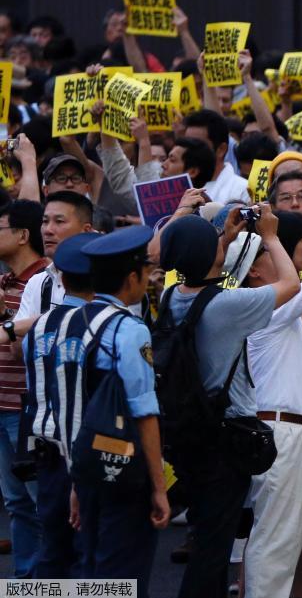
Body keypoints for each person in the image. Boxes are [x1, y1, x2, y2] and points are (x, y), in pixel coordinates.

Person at [158, 206, 300, 598]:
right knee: (213, 547)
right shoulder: (227, 306)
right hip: (225, 439)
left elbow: (209, 273)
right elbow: (291, 284)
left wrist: (224, 238)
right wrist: (270, 236)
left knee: (207, 531)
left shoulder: (169, 296)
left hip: (186, 432)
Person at [237, 211, 302, 598]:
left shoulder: (280, 306)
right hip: (280, 431)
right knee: (275, 541)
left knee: (281, 538)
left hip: (288, 429)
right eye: (270, 251)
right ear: (255, 270)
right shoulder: (262, 304)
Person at [70, 226, 169, 594]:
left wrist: (77, 483)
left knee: (93, 570)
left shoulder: (77, 322)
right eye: (145, 272)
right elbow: (144, 412)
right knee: (123, 574)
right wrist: (158, 487)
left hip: (86, 461)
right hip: (125, 466)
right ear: (132, 278)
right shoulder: (131, 330)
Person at [22, 231, 101, 578]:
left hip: (47, 448)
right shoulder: (106, 326)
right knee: (91, 557)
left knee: (53, 550)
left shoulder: (38, 328)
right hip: (88, 451)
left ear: (62, 278)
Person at [0, 200, 46, 578]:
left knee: (39, 500)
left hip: (23, 409)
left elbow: (19, 351)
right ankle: (26, 581)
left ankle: (50, 578)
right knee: (15, 501)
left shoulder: (44, 283)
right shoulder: (5, 282)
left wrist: (5, 319)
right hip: (1, 407)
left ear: (21, 235)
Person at [12, 191, 95, 337]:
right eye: (45, 221)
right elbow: (18, 348)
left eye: (59, 221)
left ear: (86, 230)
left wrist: (14, 329)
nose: (48, 230)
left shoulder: (105, 280)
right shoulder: (38, 282)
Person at [184, 109, 249, 205]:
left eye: (197, 145)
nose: (189, 151)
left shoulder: (243, 190)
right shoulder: (177, 187)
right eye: (186, 144)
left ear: (221, 150)